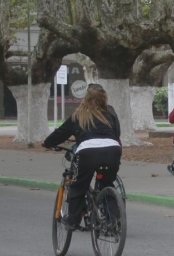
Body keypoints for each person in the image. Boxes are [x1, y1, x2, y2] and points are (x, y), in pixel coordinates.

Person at [43, 85, 122, 231]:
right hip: (113, 150)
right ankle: (113, 220)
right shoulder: (110, 113)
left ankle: (73, 220)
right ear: (104, 99)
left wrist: (47, 143)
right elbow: (117, 133)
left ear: (85, 99)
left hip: (88, 152)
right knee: (107, 183)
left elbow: (61, 133)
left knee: (79, 185)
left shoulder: (78, 115)